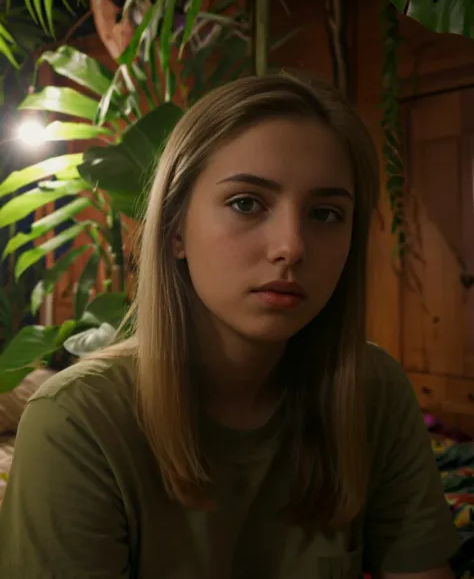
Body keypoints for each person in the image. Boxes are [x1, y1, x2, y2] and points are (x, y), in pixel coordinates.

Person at [0, 74, 460, 578]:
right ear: (176, 230)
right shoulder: (76, 423)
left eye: (326, 214)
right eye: (246, 203)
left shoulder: (373, 391)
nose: (292, 246)